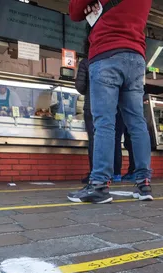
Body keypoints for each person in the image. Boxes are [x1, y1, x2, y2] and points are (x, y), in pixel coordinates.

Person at [67, 0, 153, 204]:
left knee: (104, 123)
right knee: (137, 123)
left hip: (106, 53)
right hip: (136, 56)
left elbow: (74, 11)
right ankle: (144, 183)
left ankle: (98, 185)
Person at [75, 32, 94, 184]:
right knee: (106, 139)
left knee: (94, 141)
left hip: (91, 106)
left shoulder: (86, 62)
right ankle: (107, 173)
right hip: (108, 107)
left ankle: (95, 173)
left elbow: (80, 86)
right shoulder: (107, 61)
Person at [114, 112, 135, 182]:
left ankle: (116, 173)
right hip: (134, 109)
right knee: (133, 137)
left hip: (118, 108)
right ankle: (135, 172)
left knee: (116, 138)